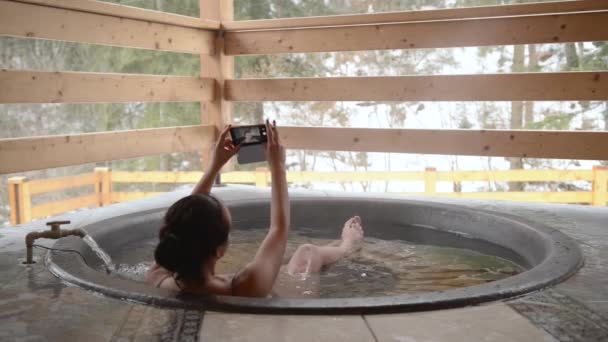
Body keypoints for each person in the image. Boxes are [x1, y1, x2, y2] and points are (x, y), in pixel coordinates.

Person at [146, 120, 364, 297]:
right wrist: (278, 166)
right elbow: (279, 228)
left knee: (285, 266)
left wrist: (215, 165)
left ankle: (339, 247)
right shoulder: (244, 287)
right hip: (289, 297)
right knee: (308, 252)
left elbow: (189, 219)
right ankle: (347, 245)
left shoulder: (158, 278)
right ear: (220, 251)